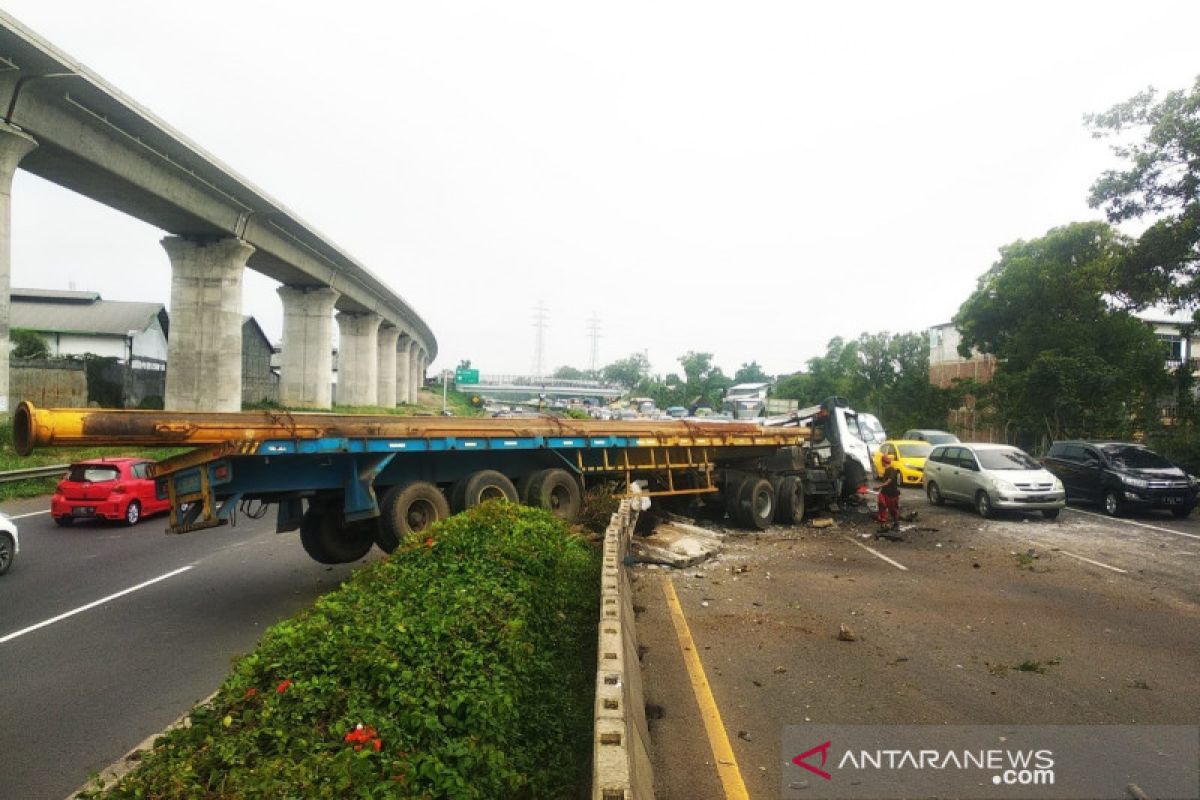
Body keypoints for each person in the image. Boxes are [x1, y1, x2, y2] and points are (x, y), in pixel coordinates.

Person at [876, 454, 901, 531]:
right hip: (885, 493)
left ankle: (896, 524)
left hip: (892, 494)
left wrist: (879, 486)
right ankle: (883, 525)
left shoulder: (891, 470)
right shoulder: (887, 470)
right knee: (882, 506)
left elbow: (888, 481)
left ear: (883, 462)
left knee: (893, 509)